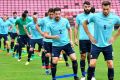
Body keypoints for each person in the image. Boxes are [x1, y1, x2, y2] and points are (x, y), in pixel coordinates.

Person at [83, 1, 120, 80]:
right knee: (92, 63)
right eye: (104, 9)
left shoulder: (115, 18)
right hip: (96, 44)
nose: (105, 11)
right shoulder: (95, 16)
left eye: (107, 9)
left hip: (107, 45)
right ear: (101, 8)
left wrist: (114, 37)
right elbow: (84, 23)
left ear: (110, 8)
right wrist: (90, 35)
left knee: (110, 64)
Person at [44, 7, 79, 80]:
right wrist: (53, 36)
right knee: (54, 61)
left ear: (60, 13)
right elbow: (45, 35)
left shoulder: (65, 20)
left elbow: (69, 29)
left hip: (66, 44)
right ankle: (53, 78)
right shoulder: (49, 24)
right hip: (56, 45)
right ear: (53, 14)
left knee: (74, 58)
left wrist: (71, 40)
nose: (57, 15)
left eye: (59, 14)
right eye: (56, 14)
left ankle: (75, 76)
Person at [74, 1, 95, 80]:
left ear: (90, 7)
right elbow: (76, 27)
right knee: (83, 56)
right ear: (83, 7)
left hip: (92, 40)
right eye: (85, 6)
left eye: (88, 7)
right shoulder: (79, 16)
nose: (87, 8)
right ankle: (83, 75)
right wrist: (75, 38)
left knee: (91, 57)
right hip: (82, 40)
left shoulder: (94, 16)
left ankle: (92, 75)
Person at [36, 8, 54, 75]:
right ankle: (46, 69)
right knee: (47, 55)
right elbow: (37, 26)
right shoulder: (44, 19)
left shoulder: (56, 20)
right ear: (48, 13)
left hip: (54, 41)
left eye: (52, 14)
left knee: (53, 56)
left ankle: (52, 69)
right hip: (46, 40)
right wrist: (41, 33)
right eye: (50, 14)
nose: (51, 15)